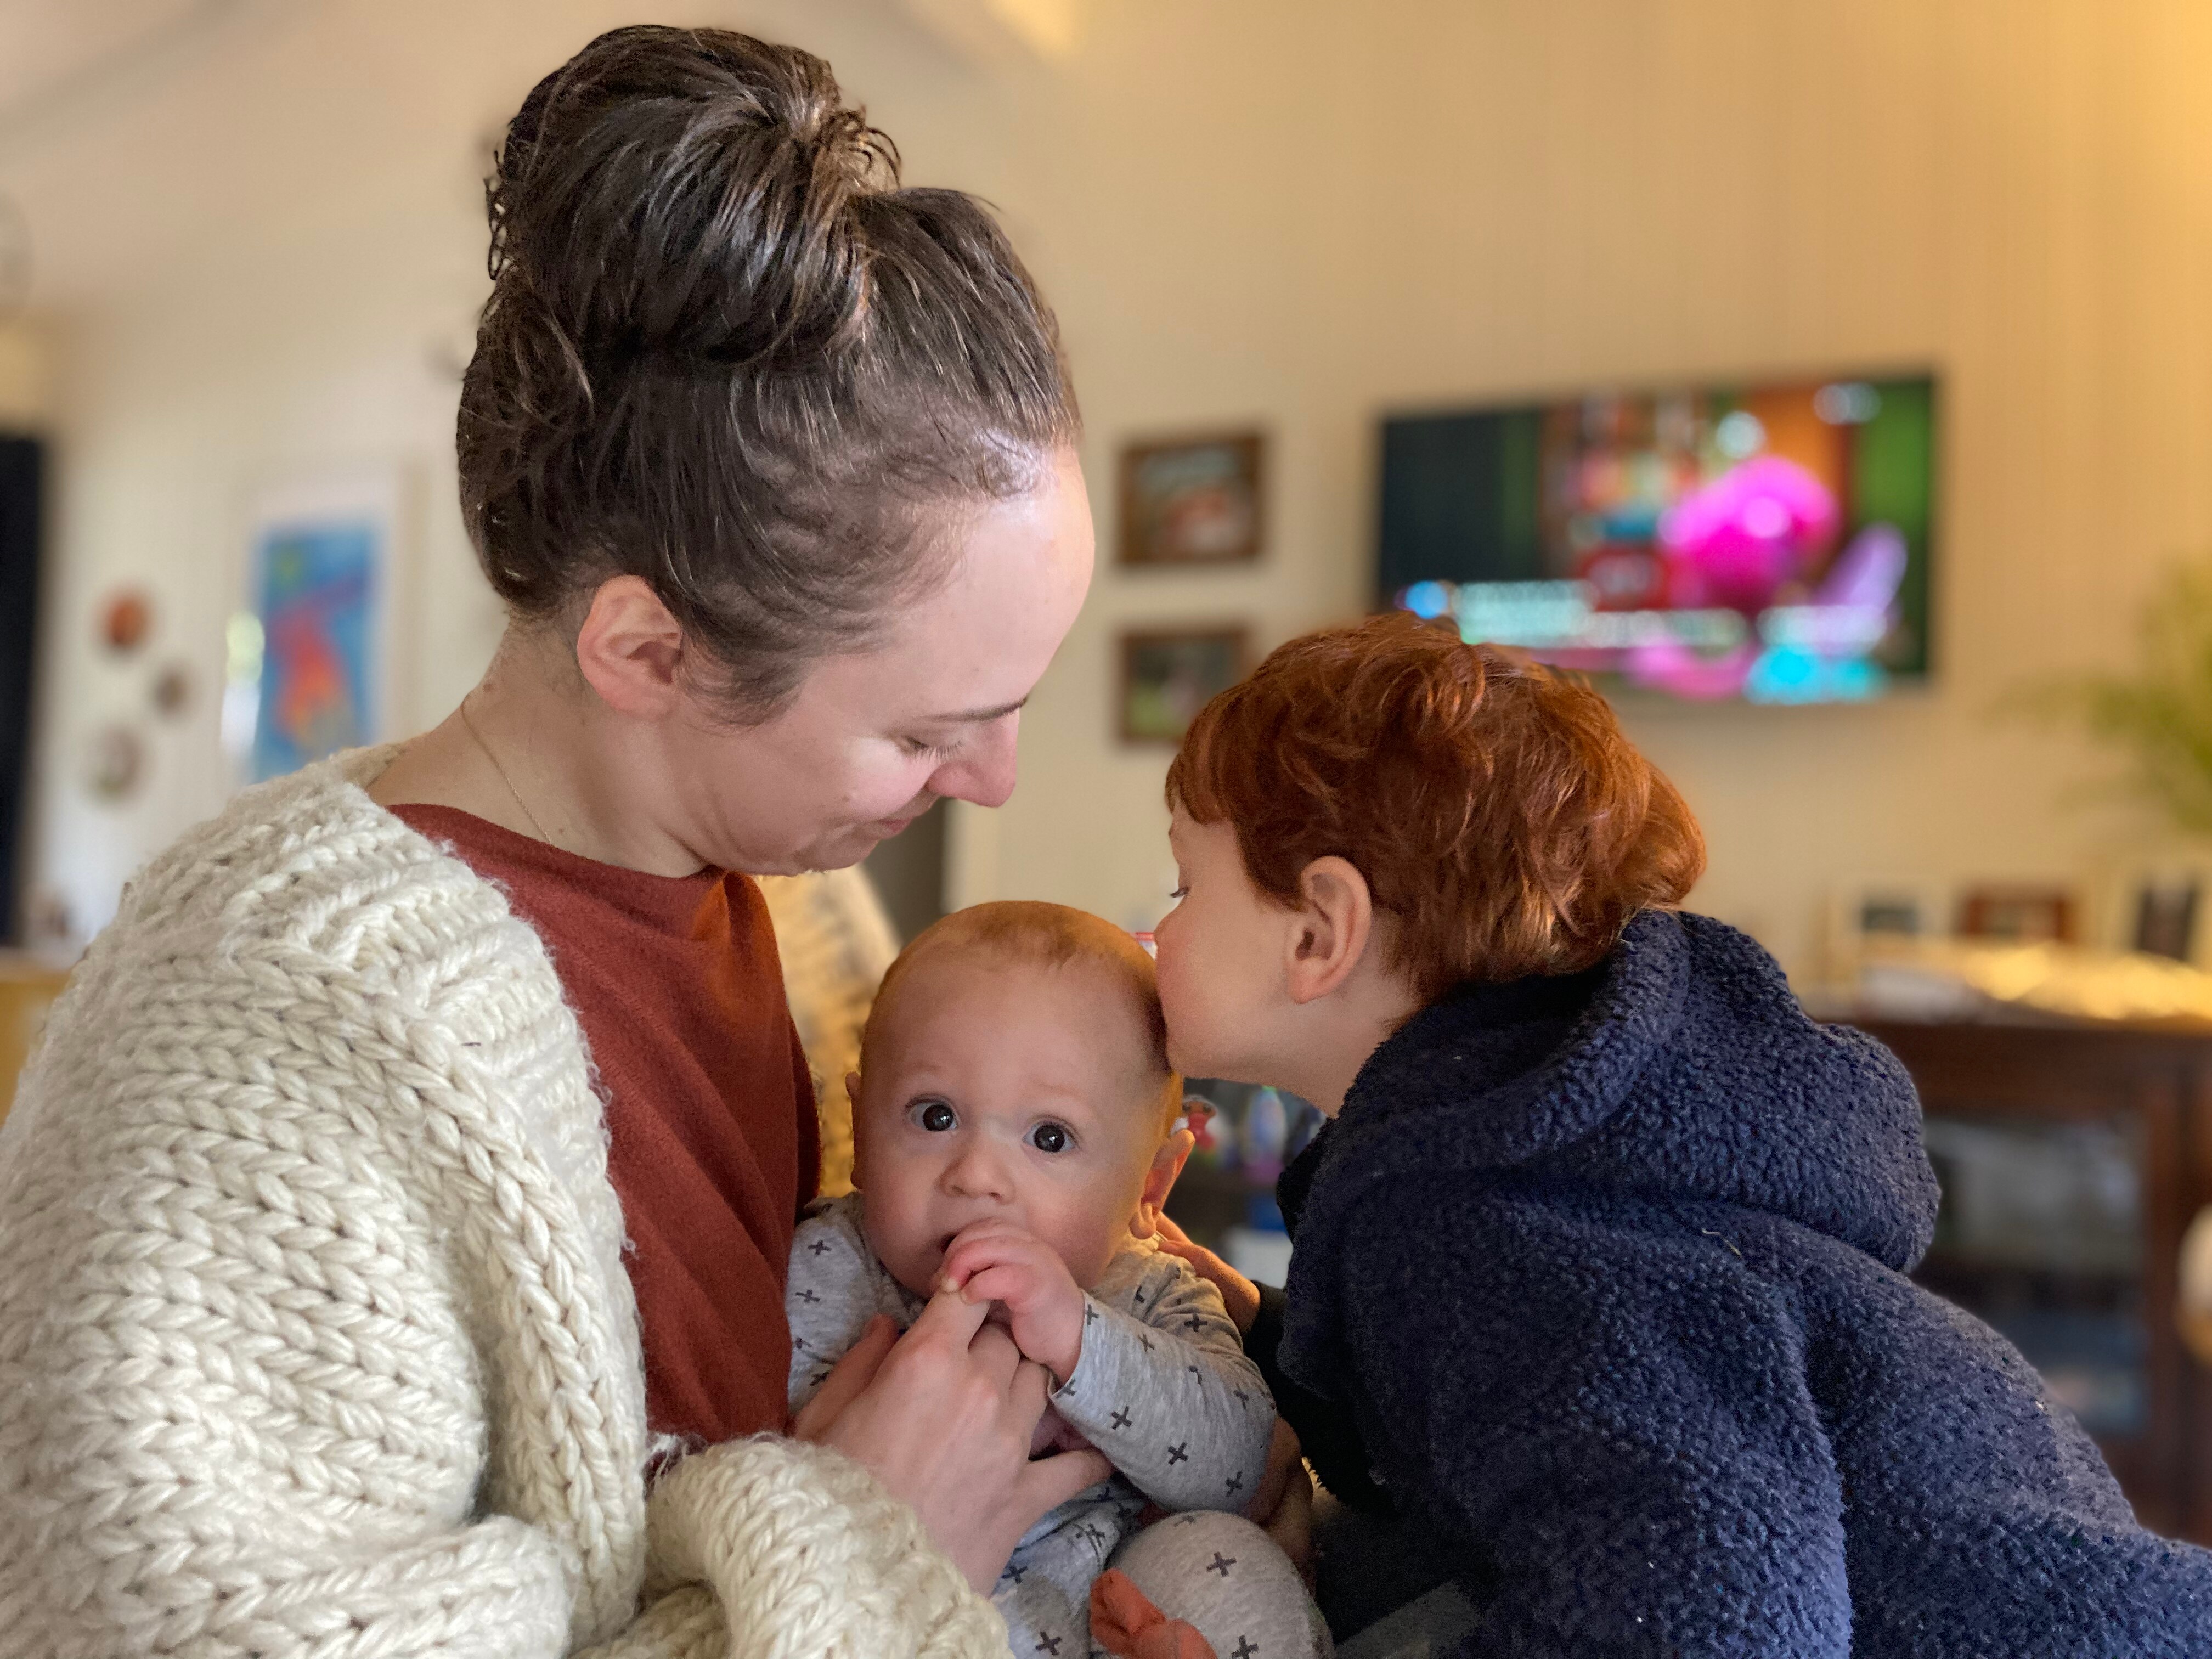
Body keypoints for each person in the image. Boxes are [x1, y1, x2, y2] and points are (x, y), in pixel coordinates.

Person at [0, 26, 1109, 1657]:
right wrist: (867, 1549)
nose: (994, 781)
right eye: (927, 731)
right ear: (646, 652)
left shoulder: (801, 919)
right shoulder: (259, 1050)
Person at [1149, 612, 2212, 1658]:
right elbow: (1482, 1440)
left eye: (1186, 885)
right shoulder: (1550, 1157)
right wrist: (1266, 1335)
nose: (1160, 932)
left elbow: (1709, 1627)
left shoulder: (1484, 1224)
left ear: (1318, 932)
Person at [786, 902, 1329, 1659]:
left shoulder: (1154, 1292)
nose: (976, 1176)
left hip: (1112, 1603)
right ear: (860, 1134)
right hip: (915, 1612)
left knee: (1227, 1559)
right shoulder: (827, 1262)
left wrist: (1081, 1339)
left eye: (1050, 1137)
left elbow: (1245, 1467)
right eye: (934, 1116)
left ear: (1151, 1184)